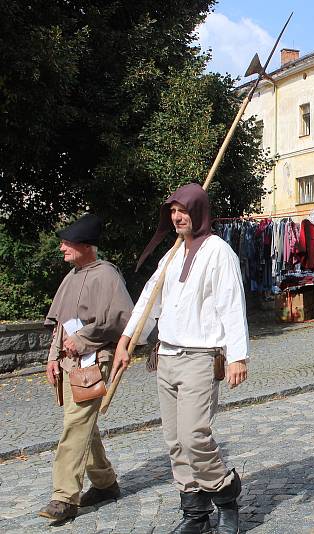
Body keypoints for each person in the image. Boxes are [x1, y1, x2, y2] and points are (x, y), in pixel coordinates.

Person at [111, 183, 248, 534]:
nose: (176, 216)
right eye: (172, 211)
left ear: (198, 212)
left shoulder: (220, 253)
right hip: (166, 358)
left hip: (201, 359)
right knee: (174, 442)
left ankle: (226, 494)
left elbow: (232, 306)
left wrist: (237, 356)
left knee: (194, 437)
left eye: (183, 210)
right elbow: (149, 301)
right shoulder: (171, 254)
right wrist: (128, 339)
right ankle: (195, 513)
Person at [38, 214, 133, 522]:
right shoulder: (72, 275)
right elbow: (61, 325)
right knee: (83, 424)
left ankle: (64, 496)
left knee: (76, 424)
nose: (62, 249)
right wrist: (53, 358)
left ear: (84, 245)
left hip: (95, 362)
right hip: (68, 364)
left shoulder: (107, 275)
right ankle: (105, 484)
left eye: (66, 244)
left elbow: (118, 321)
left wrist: (83, 338)